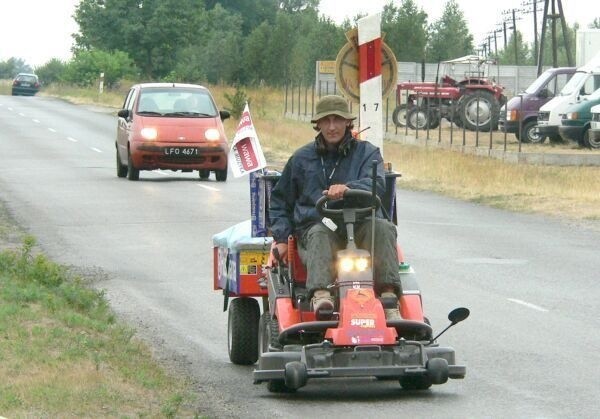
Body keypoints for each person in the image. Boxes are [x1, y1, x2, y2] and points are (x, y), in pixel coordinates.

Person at [269, 95, 402, 320]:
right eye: (326, 121)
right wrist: (281, 239)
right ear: (318, 124)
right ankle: (321, 295)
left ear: (347, 122)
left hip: (360, 227)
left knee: (383, 227)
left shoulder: (368, 153)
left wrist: (347, 188)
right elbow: (280, 202)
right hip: (319, 229)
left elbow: (376, 184)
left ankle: (389, 297)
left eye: (338, 120)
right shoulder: (301, 159)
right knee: (319, 232)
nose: (332, 127)